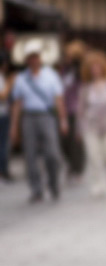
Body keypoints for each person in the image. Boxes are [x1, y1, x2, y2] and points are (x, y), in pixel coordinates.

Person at [10, 40, 67, 203]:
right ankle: (36, 189)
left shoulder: (51, 75)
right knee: (30, 155)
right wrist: (14, 126)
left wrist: (63, 120)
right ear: (27, 60)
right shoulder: (21, 78)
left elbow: (59, 99)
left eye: (36, 57)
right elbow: (17, 103)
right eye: (30, 57)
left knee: (52, 154)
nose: (33, 60)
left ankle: (54, 184)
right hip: (29, 117)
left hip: (46, 116)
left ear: (40, 58)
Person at [77, 50, 106, 197]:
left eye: (98, 66)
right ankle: (98, 183)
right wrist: (79, 128)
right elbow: (81, 109)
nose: (95, 70)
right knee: (94, 156)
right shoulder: (85, 87)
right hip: (91, 125)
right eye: (92, 67)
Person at [60, 40, 88, 182]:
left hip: (77, 109)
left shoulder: (81, 71)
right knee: (64, 141)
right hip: (64, 108)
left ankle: (77, 168)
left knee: (76, 141)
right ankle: (71, 164)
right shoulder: (65, 70)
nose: (67, 58)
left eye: (70, 56)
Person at [0, 52, 13, 181]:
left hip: (4, 113)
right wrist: (10, 83)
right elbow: (2, 96)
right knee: (3, 143)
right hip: (2, 114)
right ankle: (3, 170)